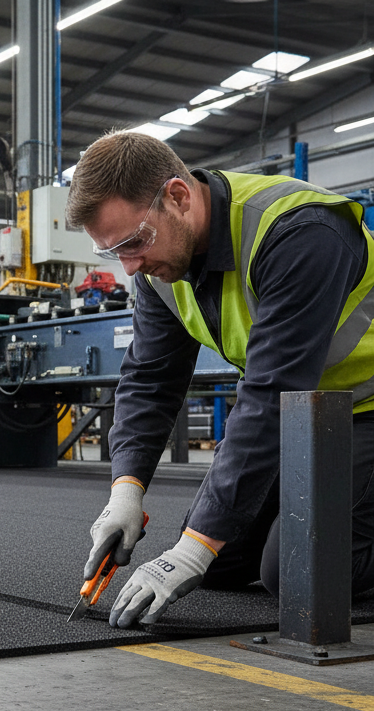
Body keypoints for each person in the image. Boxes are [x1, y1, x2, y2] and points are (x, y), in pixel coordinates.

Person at [65, 130, 374, 629]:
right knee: (221, 562)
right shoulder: (158, 269)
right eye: (112, 253)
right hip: (310, 417)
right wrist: (126, 491)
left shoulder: (301, 231)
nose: (130, 266)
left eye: (134, 242)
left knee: (295, 571)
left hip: (365, 409)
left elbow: (272, 391)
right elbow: (149, 379)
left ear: (178, 197)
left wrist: (192, 549)